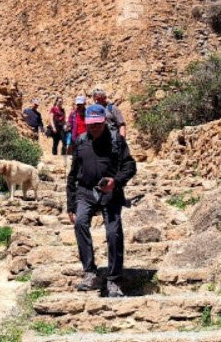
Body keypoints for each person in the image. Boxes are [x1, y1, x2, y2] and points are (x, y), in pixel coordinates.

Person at [66, 103, 137, 298]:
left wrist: (116, 182)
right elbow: (72, 176)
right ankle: (90, 272)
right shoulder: (80, 142)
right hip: (85, 191)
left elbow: (130, 166)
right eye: (91, 124)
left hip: (110, 192)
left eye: (98, 124)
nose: (94, 128)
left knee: (113, 233)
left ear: (104, 122)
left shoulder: (116, 141)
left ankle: (113, 279)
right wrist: (70, 205)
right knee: (80, 222)